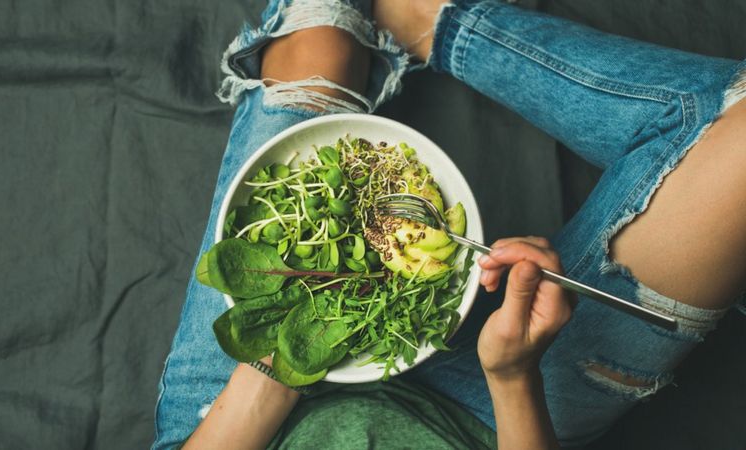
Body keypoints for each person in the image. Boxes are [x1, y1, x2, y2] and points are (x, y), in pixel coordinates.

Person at [152, 1, 746, 448]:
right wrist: (513, 375)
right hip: (485, 418)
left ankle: (418, 20)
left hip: (240, 421)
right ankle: (439, 25)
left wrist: (279, 356)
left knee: (320, 32)